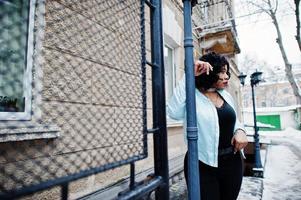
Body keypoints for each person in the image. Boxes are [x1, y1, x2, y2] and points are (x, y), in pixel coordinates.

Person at [167, 52, 248, 200]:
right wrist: (189, 75)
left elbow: (234, 120)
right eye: (221, 72)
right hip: (201, 164)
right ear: (208, 72)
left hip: (232, 162)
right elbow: (173, 112)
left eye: (226, 72)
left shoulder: (226, 95)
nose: (226, 76)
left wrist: (241, 130)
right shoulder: (192, 95)